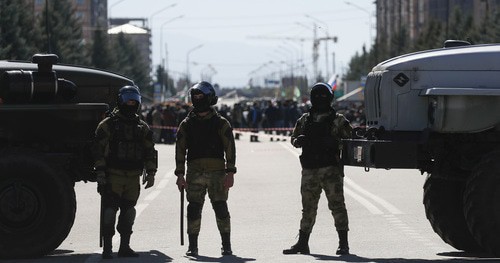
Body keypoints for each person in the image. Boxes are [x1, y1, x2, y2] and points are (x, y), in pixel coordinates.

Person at [283, 82, 352, 256]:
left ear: (329, 98)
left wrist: (336, 143)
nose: (320, 99)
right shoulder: (305, 119)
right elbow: (293, 137)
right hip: (309, 170)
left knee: (337, 207)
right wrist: (298, 141)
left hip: (330, 170)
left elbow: (351, 143)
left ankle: (343, 244)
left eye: (323, 96)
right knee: (308, 208)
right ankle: (302, 243)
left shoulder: (338, 120)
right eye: (317, 96)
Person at [93, 85, 158, 259]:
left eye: (133, 101)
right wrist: (100, 173)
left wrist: (151, 172)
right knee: (109, 211)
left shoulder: (141, 127)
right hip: (113, 175)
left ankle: (124, 246)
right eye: (128, 100)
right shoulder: (108, 125)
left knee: (129, 212)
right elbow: (98, 150)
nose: (131, 104)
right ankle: (107, 248)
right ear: (121, 101)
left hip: (132, 177)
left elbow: (150, 151)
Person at [175, 81, 237, 257]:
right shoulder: (186, 124)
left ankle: (226, 245)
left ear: (209, 98)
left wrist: (230, 172)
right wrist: (180, 174)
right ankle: (192, 246)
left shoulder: (221, 123)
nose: (198, 99)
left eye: (201, 96)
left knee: (221, 208)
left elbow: (230, 148)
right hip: (194, 173)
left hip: (217, 173)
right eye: (195, 96)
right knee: (193, 209)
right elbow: (180, 150)